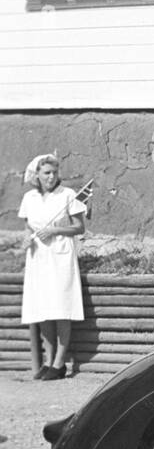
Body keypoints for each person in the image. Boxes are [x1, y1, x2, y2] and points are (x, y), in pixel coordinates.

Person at [20, 155, 86, 380]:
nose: (51, 177)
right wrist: (27, 239)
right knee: (43, 310)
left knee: (60, 308)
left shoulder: (67, 195)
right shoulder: (29, 198)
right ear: (36, 175)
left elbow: (79, 228)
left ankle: (60, 363)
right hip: (38, 257)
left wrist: (56, 231)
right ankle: (48, 362)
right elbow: (28, 226)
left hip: (60, 257)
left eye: (54, 173)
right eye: (46, 173)